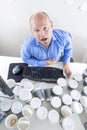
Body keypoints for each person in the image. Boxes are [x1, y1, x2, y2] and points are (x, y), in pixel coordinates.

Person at [21, 11, 73, 77]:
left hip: (60, 62)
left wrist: (66, 64)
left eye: (45, 28)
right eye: (37, 30)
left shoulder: (64, 37)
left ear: (51, 25)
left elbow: (68, 49)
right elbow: (25, 58)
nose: (42, 34)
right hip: (42, 68)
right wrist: (43, 63)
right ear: (32, 32)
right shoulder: (27, 46)